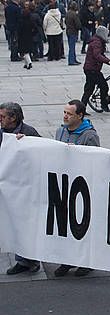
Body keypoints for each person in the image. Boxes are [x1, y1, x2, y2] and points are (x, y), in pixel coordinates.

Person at [53, 100, 99, 277]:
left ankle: (85, 261)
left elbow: (95, 159)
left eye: (69, 114)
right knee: (64, 224)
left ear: (80, 116)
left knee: (81, 224)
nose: (65, 116)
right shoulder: (60, 131)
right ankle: (67, 260)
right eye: (64, 112)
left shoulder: (89, 135)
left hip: (82, 185)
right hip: (64, 183)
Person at [1, 102, 41, 275]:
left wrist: (25, 144)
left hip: (23, 187)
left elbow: (41, 155)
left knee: (22, 223)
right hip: (6, 184)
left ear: (13, 118)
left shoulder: (29, 133)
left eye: (2, 117)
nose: (0, 120)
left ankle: (27, 260)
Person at [81, 26, 110, 112]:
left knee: (89, 88)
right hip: (92, 69)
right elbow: (97, 55)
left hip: (91, 68)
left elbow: (101, 55)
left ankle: (81, 109)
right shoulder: (97, 42)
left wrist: (109, 61)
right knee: (103, 86)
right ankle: (103, 105)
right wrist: (109, 62)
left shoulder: (98, 41)